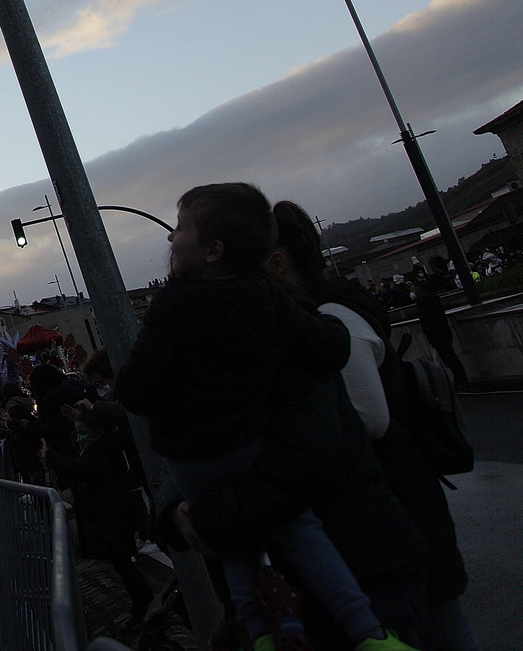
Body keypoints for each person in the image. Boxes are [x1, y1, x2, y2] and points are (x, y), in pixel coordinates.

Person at [116, 182, 415, 651]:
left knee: (231, 545)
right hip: (250, 449)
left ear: (213, 250)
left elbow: (134, 389)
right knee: (301, 533)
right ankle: (369, 633)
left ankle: (259, 634)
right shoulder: (269, 299)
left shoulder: (172, 304)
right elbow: (329, 347)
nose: (171, 239)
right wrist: (333, 322)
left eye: (180, 230)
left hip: (194, 461)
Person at [270, 203, 479, 651]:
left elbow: (369, 418)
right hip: (396, 513)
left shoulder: (334, 316)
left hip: (401, 513)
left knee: (443, 631)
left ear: (279, 260)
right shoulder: (326, 312)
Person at [39, 402, 152, 629]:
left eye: (82, 433)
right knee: (121, 563)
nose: (78, 438)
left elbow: (80, 468)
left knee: (123, 563)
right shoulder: (102, 445)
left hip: (112, 516)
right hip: (109, 515)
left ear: (97, 432)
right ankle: (144, 602)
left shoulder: (102, 452)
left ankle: (145, 604)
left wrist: (49, 456)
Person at [413, 281, 469, 390]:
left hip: (439, 335)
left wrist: (437, 334)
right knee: (448, 359)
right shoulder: (424, 302)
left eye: (414, 290)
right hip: (436, 336)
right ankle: (459, 380)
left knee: (451, 359)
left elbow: (436, 319)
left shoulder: (429, 301)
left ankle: (462, 381)